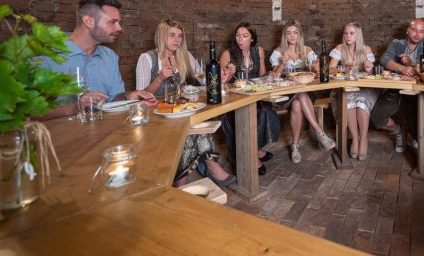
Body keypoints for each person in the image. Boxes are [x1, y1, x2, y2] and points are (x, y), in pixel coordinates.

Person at [135, 19, 235, 188]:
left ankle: (184, 180)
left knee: (193, 121)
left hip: (178, 111)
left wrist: (221, 77)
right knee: (188, 127)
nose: (177, 40)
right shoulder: (147, 59)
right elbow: (141, 98)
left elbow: (204, 80)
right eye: (172, 35)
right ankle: (208, 168)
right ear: (161, 36)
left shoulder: (184, 56)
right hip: (156, 115)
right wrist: (159, 78)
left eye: (180, 36)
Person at [38, 0, 155, 120]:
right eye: (112, 22)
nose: (119, 28)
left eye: (119, 22)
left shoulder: (109, 56)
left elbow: (113, 98)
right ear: (88, 21)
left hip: (104, 135)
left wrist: (128, 96)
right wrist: (73, 109)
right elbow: (26, 116)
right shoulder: (46, 56)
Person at [270, 20, 335, 163]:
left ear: (299, 35)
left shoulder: (307, 51)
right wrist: (282, 64)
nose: (292, 36)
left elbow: (315, 72)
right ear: (284, 36)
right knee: (299, 96)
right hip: (285, 94)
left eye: (295, 33)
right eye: (288, 33)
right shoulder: (278, 52)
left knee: (298, 103)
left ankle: (295, 146)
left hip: (305, 93)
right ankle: (320, 132)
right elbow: (273, 77)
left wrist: (316, 67)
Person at [219, 22, 280, 175]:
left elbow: (262, 75)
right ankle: (251, 156)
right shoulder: (228, 53)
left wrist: (270, 77)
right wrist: (227, 74)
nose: (240, 39)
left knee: (266, 111)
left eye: (245, 36)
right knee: (247, 115)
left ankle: (255, 148)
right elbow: (218, 81)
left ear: (252, 38)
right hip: (234, 98)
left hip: (254, 94)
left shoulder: (257, 51)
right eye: (238, 35)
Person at [377, 18, 424, 152]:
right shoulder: (396, 44)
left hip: (418, 93)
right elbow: (384, 59)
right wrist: (402, 68)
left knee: (416, 117)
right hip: (395, 90)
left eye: (421, 31)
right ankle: (399, 131)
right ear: (407, 31)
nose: (417, 34)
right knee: (376, 117)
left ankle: (415, 137)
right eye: (414, 30)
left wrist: (411, 64)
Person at [328, 23, 380, 160]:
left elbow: (373, 73)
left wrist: (369, 69)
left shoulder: (366, 49)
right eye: (346, 33)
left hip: (365, 88)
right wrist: (343, 68)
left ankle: (363, 139)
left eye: (351, 33)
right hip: (345, 88)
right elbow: (329, 70)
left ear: (358, 35)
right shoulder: (339, 49)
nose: (348, 36)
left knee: (361, 102)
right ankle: (355, 140)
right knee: (348, 100)